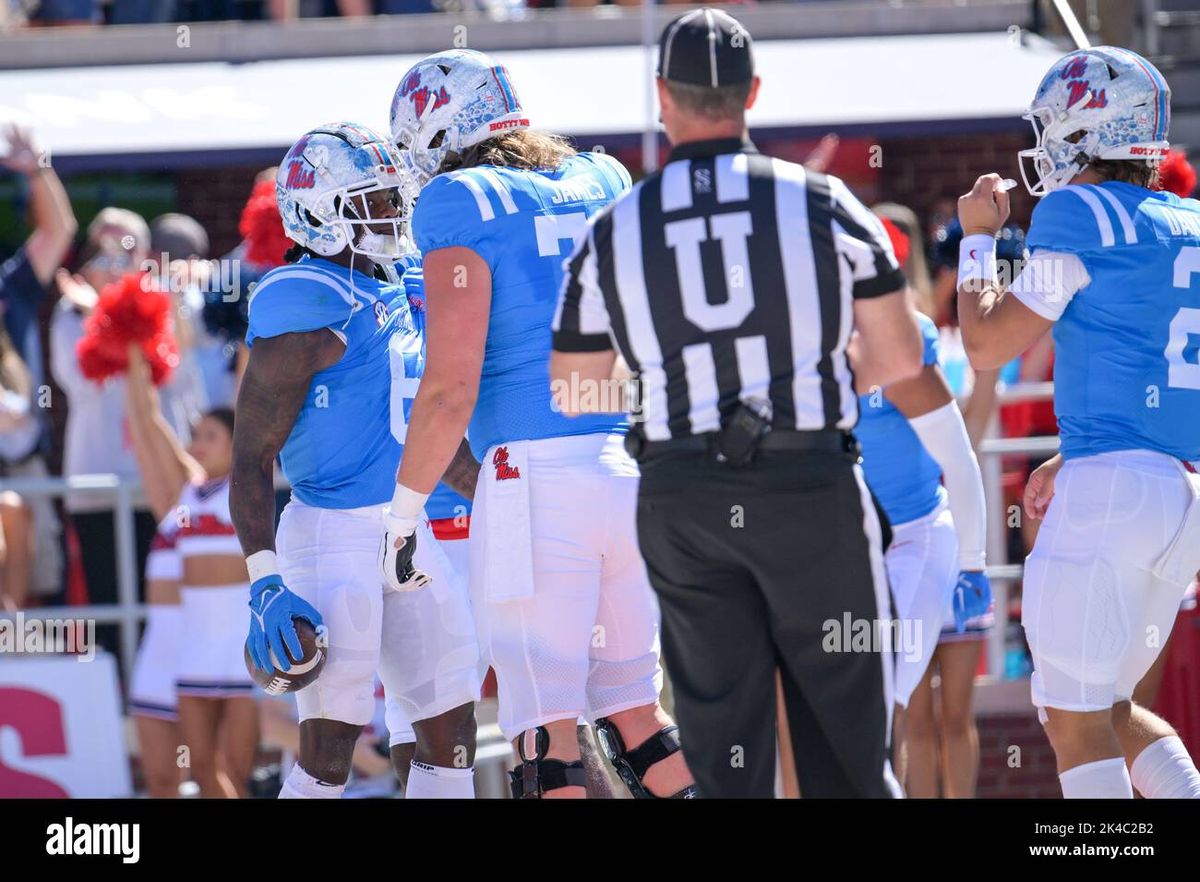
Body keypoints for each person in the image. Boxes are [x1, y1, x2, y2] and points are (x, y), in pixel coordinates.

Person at [549, 8, 921, 797]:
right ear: (753, 91)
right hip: (809, 486)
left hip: (684, 497)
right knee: (849, 746)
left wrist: (676, 389)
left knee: (725, 755)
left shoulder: (615, 228)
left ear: (662, 96)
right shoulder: (823, 201)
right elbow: (897, 355)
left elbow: (573, 386)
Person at [384, 48, 694, 799]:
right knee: (635, 711)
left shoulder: (457, 200)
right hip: (628, 467)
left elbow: (451, 388)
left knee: (542, 734)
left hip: (534, 482)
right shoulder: (604, 177)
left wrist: (401, 517)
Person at [957, 46, 1200, 798]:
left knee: (1074, 719)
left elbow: (986, 340)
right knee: (1111, 709)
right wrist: (1079, 452)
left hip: (1114, 495)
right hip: (1176, 493)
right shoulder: (1188, 218)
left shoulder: (1078, 211)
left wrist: (977, 239)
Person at [231, 122, 481, 800]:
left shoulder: (392, 283)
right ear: (322, 212)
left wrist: (494, 499)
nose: (392, 211)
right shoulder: (303, 301)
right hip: (331, 534)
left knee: (450, 728)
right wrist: (264, 581)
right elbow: (251, 457)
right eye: (373, 198)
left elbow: (428, 431)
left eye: (391, 195)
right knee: (331, 748)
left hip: (406, 526)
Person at [855, 302, 991, 798]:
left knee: (884, 693)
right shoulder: (796, 342)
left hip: (917, 537)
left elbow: (958, 456)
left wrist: (973, 564)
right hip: (846, 545)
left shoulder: (897, 340)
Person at [124, 345, 258, 797]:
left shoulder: (245, 486)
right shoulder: (186, 494)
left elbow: (250, 407)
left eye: (209, 436)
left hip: (241, 645)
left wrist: (249, 338)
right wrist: (130, 347)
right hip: (192, 647)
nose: (196, 444)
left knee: (235, 770)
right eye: (195, 435)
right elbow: (148, 423)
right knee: (200, 771)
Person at [0, 123, 75, 606]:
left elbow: (59, 230)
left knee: (37, 591)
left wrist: (37, 167)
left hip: (24, 465)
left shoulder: (11, 288)